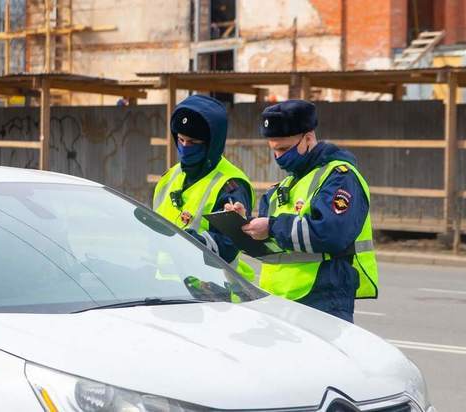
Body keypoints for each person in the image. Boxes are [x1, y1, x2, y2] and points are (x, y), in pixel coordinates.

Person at [228, 100, 378, 322]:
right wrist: (243, 224)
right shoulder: (284, 186)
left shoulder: (340, 178)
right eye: (273, 150)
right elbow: (271, 245)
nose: (278, 157)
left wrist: (270, 226)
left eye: (284, 149)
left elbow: (331, 233)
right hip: (276, 300)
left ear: (308, 138)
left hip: (322, 298)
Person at [153, 94, 255, 281]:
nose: (184, 147)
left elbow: (229, 244)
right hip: (167, 287)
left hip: (211, 293)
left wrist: (189, 242)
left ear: (212, 144)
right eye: (181, 140)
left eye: (192, 142)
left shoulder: (231, 184)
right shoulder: (170, 177)